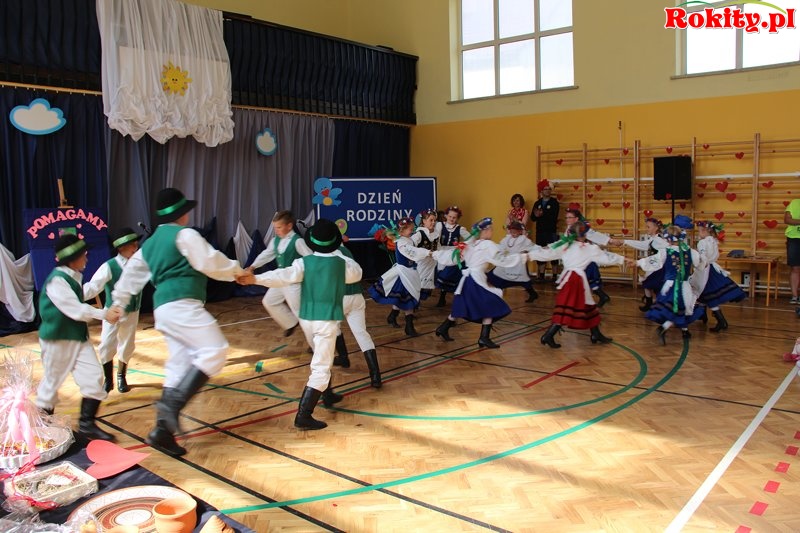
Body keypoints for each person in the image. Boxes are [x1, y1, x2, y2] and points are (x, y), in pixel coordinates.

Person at [109, 187, 246, 456]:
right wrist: (237, 272)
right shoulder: (185, 235)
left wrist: (118, 303)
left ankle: (162, 432)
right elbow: (210, 262)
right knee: (215, 350)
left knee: (179, 366)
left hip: (163, 310)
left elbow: (131, 276)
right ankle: (171, 406)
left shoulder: (148, 245)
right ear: (182, 214)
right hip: (183, 305)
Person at [238, 219, 363, 430]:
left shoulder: (304, 263)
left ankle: (328, 394)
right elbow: (356, 273)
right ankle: (303, 415)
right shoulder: (342, 264)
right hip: (326, 320)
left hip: (306, 319)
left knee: (320, 358)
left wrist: (255, 279)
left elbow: (281, 275)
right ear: (335, 242)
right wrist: (337, 251)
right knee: (321, 366)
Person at [35, 234, 116, 441]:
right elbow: (76, 310)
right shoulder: (57, 281)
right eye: (83, 254)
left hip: (78, 338)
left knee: (93, 376)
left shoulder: (73, 277)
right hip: (57, 340)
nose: (86, 257)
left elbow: (80, 299)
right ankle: (42, 427)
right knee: (52, 382)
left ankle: (87, 424)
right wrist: (104, 313)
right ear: (72, 259)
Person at [527, 222, 632, 348]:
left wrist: (528, 256)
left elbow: (547, 253)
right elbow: (606, 257)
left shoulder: (565, 245)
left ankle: (596, 334)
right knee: (566, 309)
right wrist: (624, 259)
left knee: (588, 305)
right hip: (576, 281)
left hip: (569, 279)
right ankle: (548, 335)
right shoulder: (588, 248)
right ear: (584, 235)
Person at [433, 217, 521, 349]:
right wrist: (522, 257)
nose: (492, 231)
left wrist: (434, 254)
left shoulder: (471, 244)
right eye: (490, 229)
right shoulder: (488, 245)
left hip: (467, 280)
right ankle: (484, 338)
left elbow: (454, 256)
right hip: (476, 280)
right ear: (484, 231)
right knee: (490, 303)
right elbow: (501, 259)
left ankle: (443, 328)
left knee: (461, 306)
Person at [83, 226, 143, 393]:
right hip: (113, 313)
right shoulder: (109, 266)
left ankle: (121, 376)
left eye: (136, 244)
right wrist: (74, 295)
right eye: (132, 245)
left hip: (132, 311)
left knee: (127, 344)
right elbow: (93, 287)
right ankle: (108, 379)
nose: (136, 247)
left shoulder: (140, 265)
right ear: (122, 248)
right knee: (107, 343)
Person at [636, 224, 705, 345]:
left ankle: (683, 331)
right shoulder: (691, 252)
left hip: (669, 286)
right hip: (683, 286)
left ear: (668, 239)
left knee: (678, 308)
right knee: (681, 308)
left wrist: (637, 262)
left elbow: (652, 261)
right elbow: (700, 263)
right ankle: (665, 328)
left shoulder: (665, 252)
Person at [248, 210, 312, 337]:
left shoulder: (298, 241)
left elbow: (310, 258)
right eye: (275, 228)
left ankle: (314, 342)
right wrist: (252, 266)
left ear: (289, 226)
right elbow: (266, 255)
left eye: (279, 227)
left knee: (300, 312)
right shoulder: (275, 240)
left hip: (294, 282)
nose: (276, 230)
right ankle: (290, 323)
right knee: (269, 301)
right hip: (280, 280)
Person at [368, 217, 432, 337]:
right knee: (409, 299)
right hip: (403, 274)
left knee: (401, 298)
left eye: (413, 229)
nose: (412, 231)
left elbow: (416, 241)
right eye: (410, 229)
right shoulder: (402, 243)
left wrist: (425, 231)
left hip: (410, 273)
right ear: (402, 231)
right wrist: (426, 252)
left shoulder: (408, 239)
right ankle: (409, 327)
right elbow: (412, 251)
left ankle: (392, 316)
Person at [333, 244, 382, 388]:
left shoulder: (329, 252)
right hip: (357, 297)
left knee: (333, 328)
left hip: (340, 297)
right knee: (361, 334)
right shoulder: (346, 250)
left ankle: (343, 358)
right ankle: (376, 376)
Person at [690, 221, 746, 332]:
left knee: (705, 293)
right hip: (713, 268)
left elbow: (702, 257)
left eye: (699, 231)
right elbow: (715, 256)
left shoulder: (702, 242)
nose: (698, 233)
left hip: (706, 270)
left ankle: (721, 321)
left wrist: (696, 261)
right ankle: (703, 315)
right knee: (703, 293)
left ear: (705, 231)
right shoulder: (714, 241)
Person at [564, 209, 612, 307]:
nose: (567, 219)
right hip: (577, 260)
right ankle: (601, 297)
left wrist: (610, 240)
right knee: (585, 281)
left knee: (586, 280)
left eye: (569, 217)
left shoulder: (582, 228)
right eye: (566, 217)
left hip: (586, 260)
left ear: (576, 219)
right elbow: (564, 242)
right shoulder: (569, 228)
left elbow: (595, 236)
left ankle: (583, 302)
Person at [620, 217, 667, 312]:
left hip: (658, 268)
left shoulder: (659, 240)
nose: (646, 229)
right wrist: (625, 241)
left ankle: (658, 306)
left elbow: (668, 248)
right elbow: (642, 244)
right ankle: (651, 304)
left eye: (648, 227)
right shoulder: (653, 239)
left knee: (652, 286)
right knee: (648, 285)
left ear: (656, 228)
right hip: (653, 266)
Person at [486, 220, 538, 303]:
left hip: (518, 264)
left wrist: (542, 249)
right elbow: (500, 247)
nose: (513, 234)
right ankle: (497, 294)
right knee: (495, 275)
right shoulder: (507, 239)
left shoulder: (524, 240)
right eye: (511, 232)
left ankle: (533, 294)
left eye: (515, 232)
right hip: (508, 262)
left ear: (520, 231)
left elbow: (533, 247)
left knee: (523, 280)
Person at [434, 206, 473, 307]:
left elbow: (471, 238)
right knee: (441, 275)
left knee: (449, 275)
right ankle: (442, 297)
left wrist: (462, 246)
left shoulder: (460, 229)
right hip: (442, 253)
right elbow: (435, 237)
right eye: (450, 216)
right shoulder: (440, 225)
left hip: (453, 254)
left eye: (454, 217)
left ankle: (454, 298)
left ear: (457, 218)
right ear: (446, 216)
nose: (451, 219)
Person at [530, 181, 560, 281]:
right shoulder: (537, 203)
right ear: (541, 191)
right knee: (541, 252)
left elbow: (554, 216)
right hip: (540, 232)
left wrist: (542, 214)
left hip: (551, 231)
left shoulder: (554, 202)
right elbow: (532, 218)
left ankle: (554, 276)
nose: (547, 191)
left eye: (549, 189)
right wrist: (536, 215)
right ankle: (541, 275)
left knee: (553, 252)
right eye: (545, 189)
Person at [411, 208, 440, 301]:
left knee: (425, 287)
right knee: (416, 285)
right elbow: (410, 247)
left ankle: (416, 302)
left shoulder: (436, 234)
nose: (433, 222)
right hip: (420, 265)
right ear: (424, 221)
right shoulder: (419, 234)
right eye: (431, 220)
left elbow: (438, 247)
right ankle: (412, 304)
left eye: (434, 220)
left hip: (431, 265)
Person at [785, 197, 800, 304]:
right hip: (794, 239)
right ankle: (795, 296)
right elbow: (787, 219)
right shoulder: (795, 203)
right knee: (795, 268)